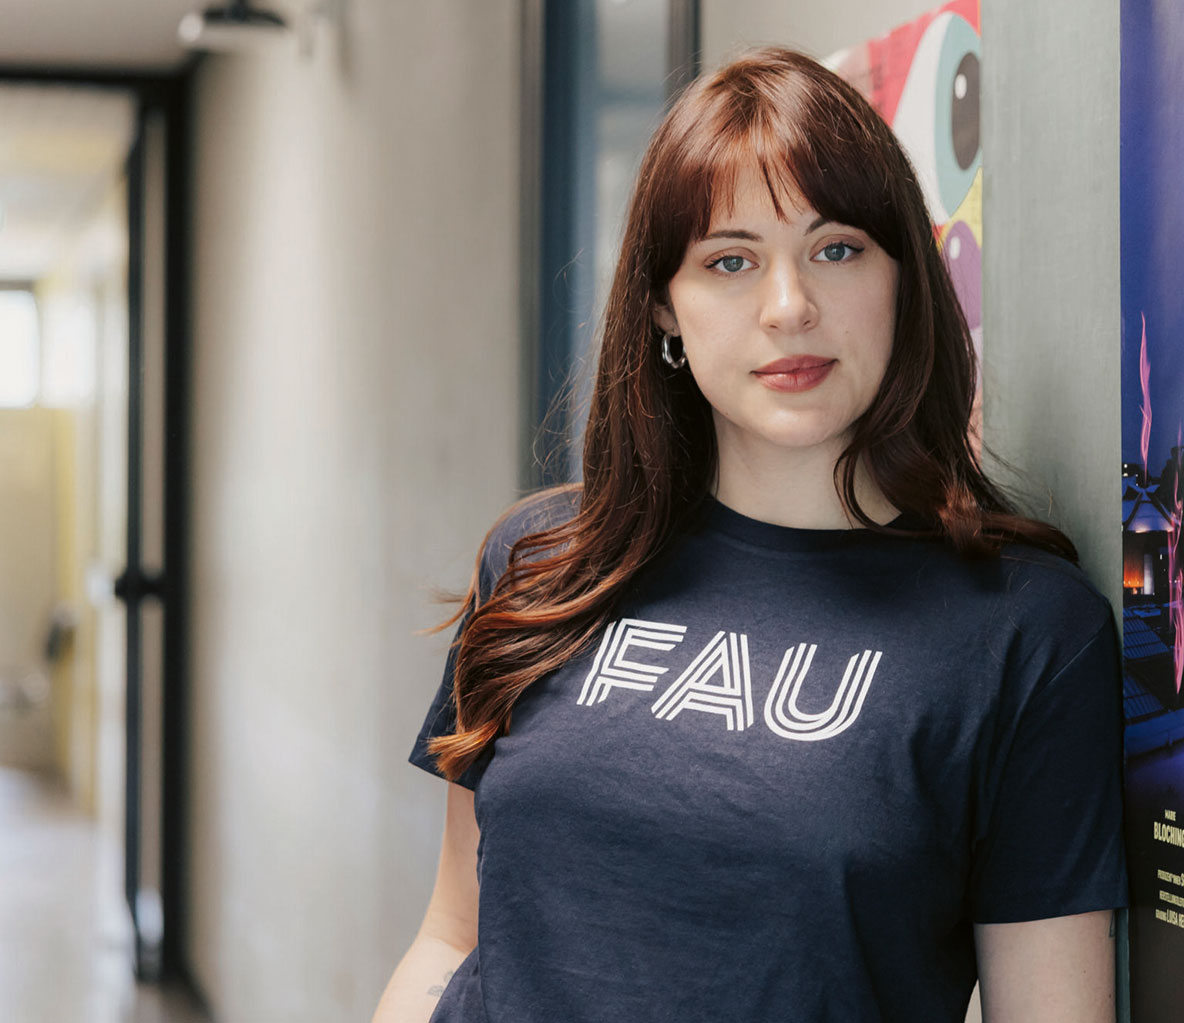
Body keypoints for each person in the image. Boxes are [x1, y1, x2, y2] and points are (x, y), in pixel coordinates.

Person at [372, 47, 1125, 1023]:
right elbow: (453, 935)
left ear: (904, 277)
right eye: (730, 261)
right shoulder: (540, 561)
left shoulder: (1021, 634)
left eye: (838, 248)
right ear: (662, 306)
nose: (790, 308)